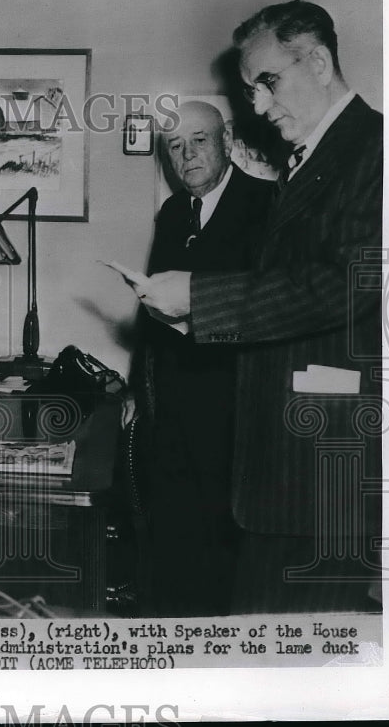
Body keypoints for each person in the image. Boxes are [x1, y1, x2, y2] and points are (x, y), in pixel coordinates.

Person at [135, 0, 382, 613]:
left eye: (267, 83)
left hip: (320, 463)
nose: (261, 107)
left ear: (319, 62)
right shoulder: (312, 160)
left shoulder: (377, 150)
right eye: (251, 92)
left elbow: (344, 283)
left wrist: (197, 296)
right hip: (280, 463)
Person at [133, 101, 272, 616]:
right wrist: (134, 389)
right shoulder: (172, 214)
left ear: (227, 139)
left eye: (199, 140)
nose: (187, 155)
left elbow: (272, 306)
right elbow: (149, 313)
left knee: (224, 559)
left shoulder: (268, 204)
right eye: (175, 145)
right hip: (171, 410)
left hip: (237, 412)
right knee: (173, 548)